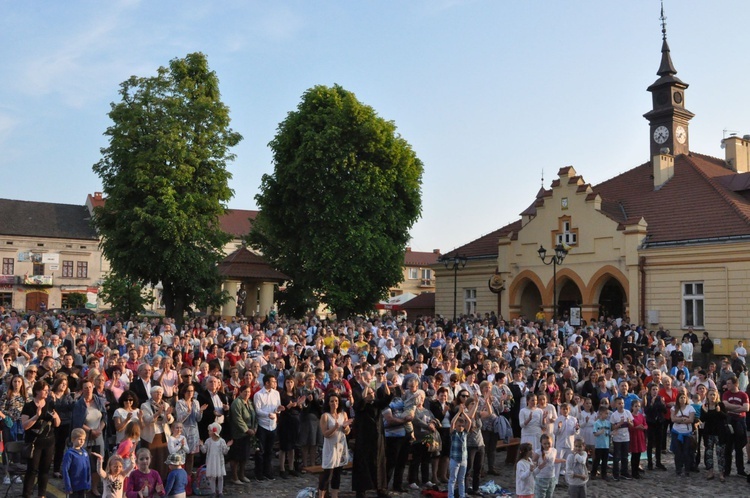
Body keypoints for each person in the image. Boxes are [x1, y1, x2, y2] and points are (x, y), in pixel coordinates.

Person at [351, 369, 392, 498]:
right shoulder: (359, 396)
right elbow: (358, 406)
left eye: (370, 380)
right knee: (363, 462)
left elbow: (386, 400)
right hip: (363, 435)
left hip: (377, 434)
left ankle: (380, 488)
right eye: (366, 380)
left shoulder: (376, 398)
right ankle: (361, 489)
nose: (369, 382)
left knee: (379, 461)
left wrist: (385, 384)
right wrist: (366, 392)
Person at [21, 380, 61, 498]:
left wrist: (56, 417)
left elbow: (57, 424)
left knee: (45, 470)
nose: (47, 392)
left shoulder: (50, 403)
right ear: (37, 391)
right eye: (44, 390)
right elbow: (25, 426)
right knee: (32, 470)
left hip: (49, 441)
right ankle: (27, 494)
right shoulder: (29, 406)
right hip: (34, 442)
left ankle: (41, 495)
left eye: (47, 390)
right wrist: (36, 416)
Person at [318, 393, 351, 498]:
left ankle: (334, 495)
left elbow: (347, 432)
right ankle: (321, 495)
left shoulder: (343, 414)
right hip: (330, 447)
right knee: (327, 473)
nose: (334, 403)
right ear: (328, 403)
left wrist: (345, 428)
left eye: (336, 401)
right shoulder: (325, 416)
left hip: (341, 446)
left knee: (337, 473)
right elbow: (325, 434)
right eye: (332, 401)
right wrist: (335, 428)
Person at [141, 386, 174, 481]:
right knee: (152, 459)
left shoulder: (165, 404)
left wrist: (167, 415)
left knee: (162, 459)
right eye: (156, 392)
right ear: (151, 394)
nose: (159, 394)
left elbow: (171, 420)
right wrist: (157, 413)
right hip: (151, 436)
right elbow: (147, 420)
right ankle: (150, 481)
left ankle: (162, 481)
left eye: (160, 392)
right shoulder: (145, 405)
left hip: (163, 435)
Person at [721, 375, 749, 479]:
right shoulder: (726, 394)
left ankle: (740, 470)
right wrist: (738, 407)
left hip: (740, 421)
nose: (727, 385)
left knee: (739, 447)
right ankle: (726, 470)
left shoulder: (743, 395)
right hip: (729, 421)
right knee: (728, 447)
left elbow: (746, 408)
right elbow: (725, 405)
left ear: (735, 384)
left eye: (729, 383)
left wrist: (732, 408)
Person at [228, 383, 256, 484]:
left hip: (248, 434)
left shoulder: (249, 402)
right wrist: (247, 430)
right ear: (240, 392)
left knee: (244, 456)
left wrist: (254, 427)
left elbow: (254, 416)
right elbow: (237, 419)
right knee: (236, 456)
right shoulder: (237, 403)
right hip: (239, 434)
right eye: (245, 392)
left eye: (249, 392)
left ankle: (242, 474)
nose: (247, 394)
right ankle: (234, 477)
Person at [278, 375, 305, 478]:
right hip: (285, 421)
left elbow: (300, 408)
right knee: (284, 446)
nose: (289, 384)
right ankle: (282, 469)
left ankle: (291, 467)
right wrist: (288, 406)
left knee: (292, 446)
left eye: (291, 382)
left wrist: (299, 405)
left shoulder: (296, 393)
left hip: (295, 421)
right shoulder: (282, 394)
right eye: (287, 382)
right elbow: (280, 408)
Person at [701, 388, 728, 482]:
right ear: (707, 396)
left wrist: (719, 411)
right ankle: (710, 471)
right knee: (708, 453)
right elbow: (703, 419)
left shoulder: (720, 405)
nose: (712, 396)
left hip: (719, 433)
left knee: (720, 453)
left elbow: (725, 417)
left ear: (717, 396)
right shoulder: (705, 406)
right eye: (710, 394)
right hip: (708, 433)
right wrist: (706, 412)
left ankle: (721, 473)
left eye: (714, 394)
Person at [200, 422, 231, 498]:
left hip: (219, 461)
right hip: (211, 461)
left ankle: (220, 492)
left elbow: (224, 452)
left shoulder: (221, 441)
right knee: (212, 477)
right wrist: (201, 445)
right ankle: (213, 491)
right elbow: (204, 451)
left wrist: (227, 446)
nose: (208, 432)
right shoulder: (208, 441)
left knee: (220, 477)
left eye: (209, 431)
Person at [447, 403, 471, 498]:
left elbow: (469, 422)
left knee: (461, 479)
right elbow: (452, 422)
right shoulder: (453, 434)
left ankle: (462, 495)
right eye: (459, 425)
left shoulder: (465, 433)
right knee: (452, 479)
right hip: (455, 459)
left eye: (462, 425)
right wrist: (458, 413)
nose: (460, 427)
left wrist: (464, 413)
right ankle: (451, 496)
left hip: (464, 460)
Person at [61, 428, 93, 498]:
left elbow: (88, 468)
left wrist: (89, 483)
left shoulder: (85, 452)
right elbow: (65, 470)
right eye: (79, 439)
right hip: (73, 486)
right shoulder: (69, 453)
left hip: (83, 484)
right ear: (73, 439)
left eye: (83, 439)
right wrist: (68, 485)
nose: (82, 441)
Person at [671, 391, 696, 477]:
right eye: (681, 397)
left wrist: (679, 419)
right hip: (676, 432)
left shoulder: (690, 408)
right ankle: (678, 469)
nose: (683, 399)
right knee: (678, 451)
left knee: (686, 452)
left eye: (684, 397)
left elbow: (691, 420)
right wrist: (683, 419)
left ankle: (687, 469)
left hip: (687, 433)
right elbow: (673, 419)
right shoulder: (674, 408)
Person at [533, 433, 565, 498]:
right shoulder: (538, 452)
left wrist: (562, 460)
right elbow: (533, 462)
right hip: (541, 478)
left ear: (552, 442)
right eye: (544, 444)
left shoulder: (554, 450)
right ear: (541, 443)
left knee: (549, 495)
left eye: (548, 443)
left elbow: (553, 460)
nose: (547, 445)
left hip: (551, 478)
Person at [609, 397, 633, 481]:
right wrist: (620, 423)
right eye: (619, 403)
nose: (621, 405)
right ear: (616, 405)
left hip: (626, 437)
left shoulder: (628, 413)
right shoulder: (614, 415)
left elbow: (632, 425)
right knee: (616, 456)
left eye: (622, 403)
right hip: (617, 438)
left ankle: (624, 472)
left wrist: (629, 423)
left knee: (625, 456)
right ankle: (615, 473)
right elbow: (613, 427)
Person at [644, 383, 666, 471]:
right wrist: (652, 404)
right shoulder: (648, 399)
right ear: (650, 390)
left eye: (656, 389)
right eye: (653, 389)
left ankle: (658, 462)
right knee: (650, 443)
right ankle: (650, 462)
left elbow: (664, 411)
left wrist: (663, 404)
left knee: (659, 443)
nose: (655, 391)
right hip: (651, 422)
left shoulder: (660, 398)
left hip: (659, 422)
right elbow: (647, 411)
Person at [591, 406, 611, 481]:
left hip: (606, 445)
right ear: (600, 413)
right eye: (605, 413)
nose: (607, 415)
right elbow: (595, 433)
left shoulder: (608, 423)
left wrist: (612, 433)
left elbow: (609, 433)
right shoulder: (596, 423)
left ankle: (604, 474)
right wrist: (600, 432)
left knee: (605, 461)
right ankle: (593, 473)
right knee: (597, 460)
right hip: (599, 445)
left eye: (607, 414)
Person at [628, 400, 647, 479]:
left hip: (640, 436)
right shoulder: (630, 417)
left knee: (638, 454)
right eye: (635, 406)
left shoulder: (641, 416)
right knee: (634, 454)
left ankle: (637, 469)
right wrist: (636, 427)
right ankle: (633, 471)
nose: (637, 408)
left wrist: (644, 427)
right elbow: (630, 428)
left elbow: (645, 424)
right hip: (634, 436)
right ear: (632, 407)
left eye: (638, 406)